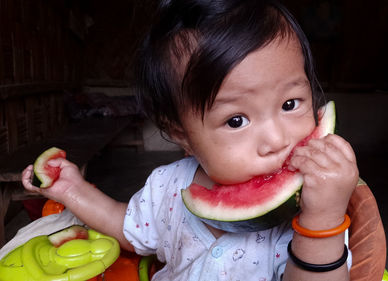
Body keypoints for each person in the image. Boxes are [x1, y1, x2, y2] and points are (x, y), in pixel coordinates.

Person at [22, 0, 359, 280]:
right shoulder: (166, 186)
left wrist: (322, 220)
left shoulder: (313, 207)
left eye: (290, 104)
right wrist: (71, 190)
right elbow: (128, 229)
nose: (277, 139)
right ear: (182, 134)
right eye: (236, 120)